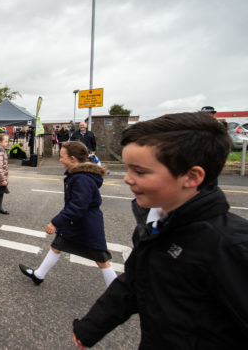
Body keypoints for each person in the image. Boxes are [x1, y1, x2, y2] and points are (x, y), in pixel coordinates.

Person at [72, 112, 248, 349]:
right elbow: (134, 281)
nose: (127, 179)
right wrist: (91, 327)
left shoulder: (229, 247)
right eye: (127, 169)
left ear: (192, 177)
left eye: (140, 171)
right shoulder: (154, 223)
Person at [19, 141, 116, 287]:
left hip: (87, 225)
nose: (60, 159)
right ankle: (38, 275)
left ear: (73, 159)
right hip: (76, 222)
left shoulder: (82, 178)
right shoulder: (79, 175)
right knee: (57, 246)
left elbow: (77, 207)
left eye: (62, 156)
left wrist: (55, 222)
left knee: (101, 260)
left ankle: (117, 292)